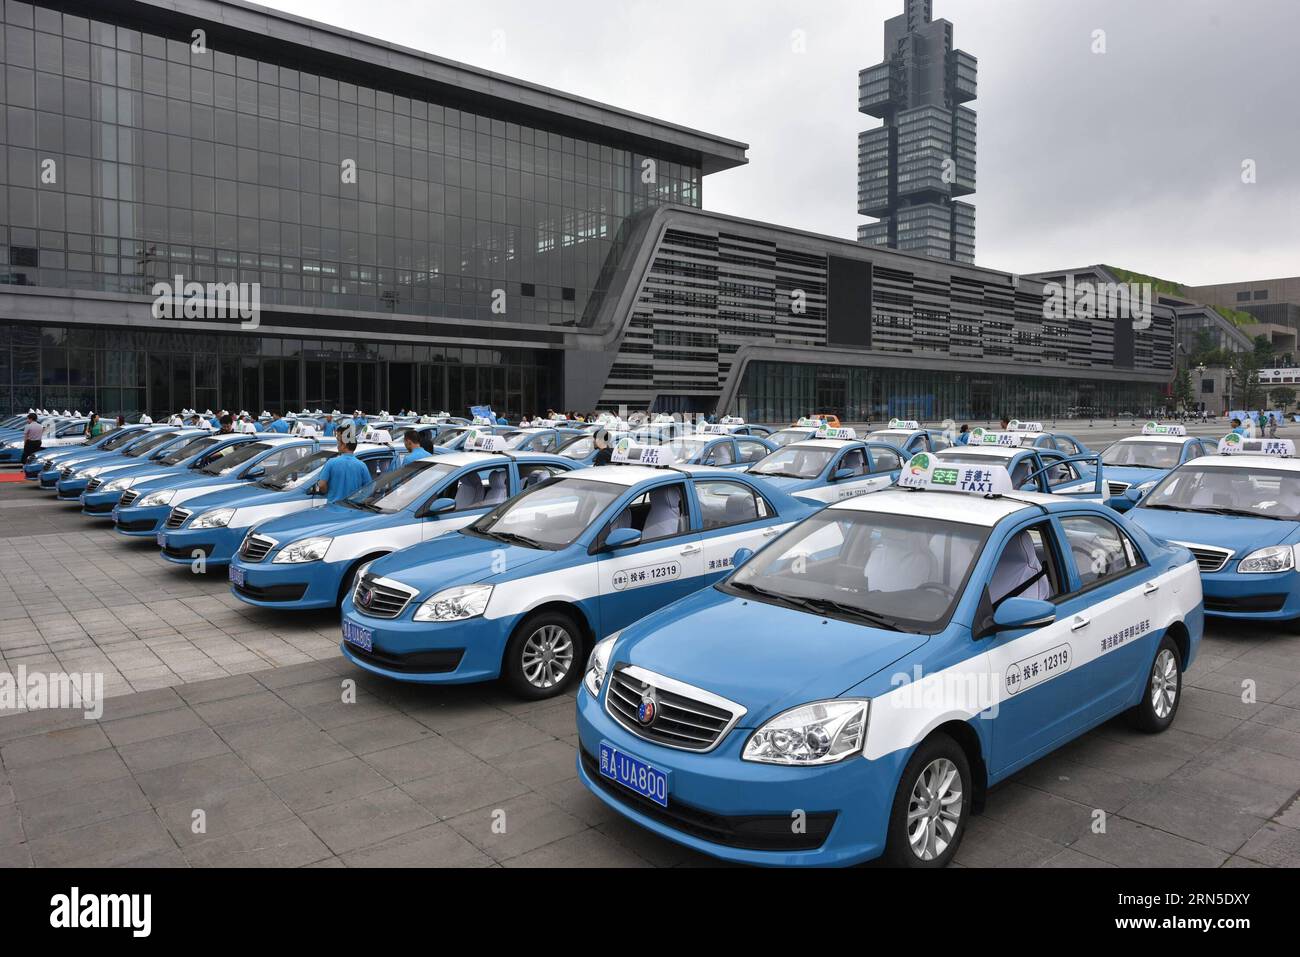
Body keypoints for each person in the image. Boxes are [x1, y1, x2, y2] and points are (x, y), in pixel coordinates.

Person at [314, 435, 372, 502]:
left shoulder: (331, 462)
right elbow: (368, 488)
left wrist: (325, 492)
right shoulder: (362, 466)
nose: (337, 445)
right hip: (353, 508)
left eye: (338, 442)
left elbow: (321, 484)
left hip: (333, 507)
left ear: (344, 445)